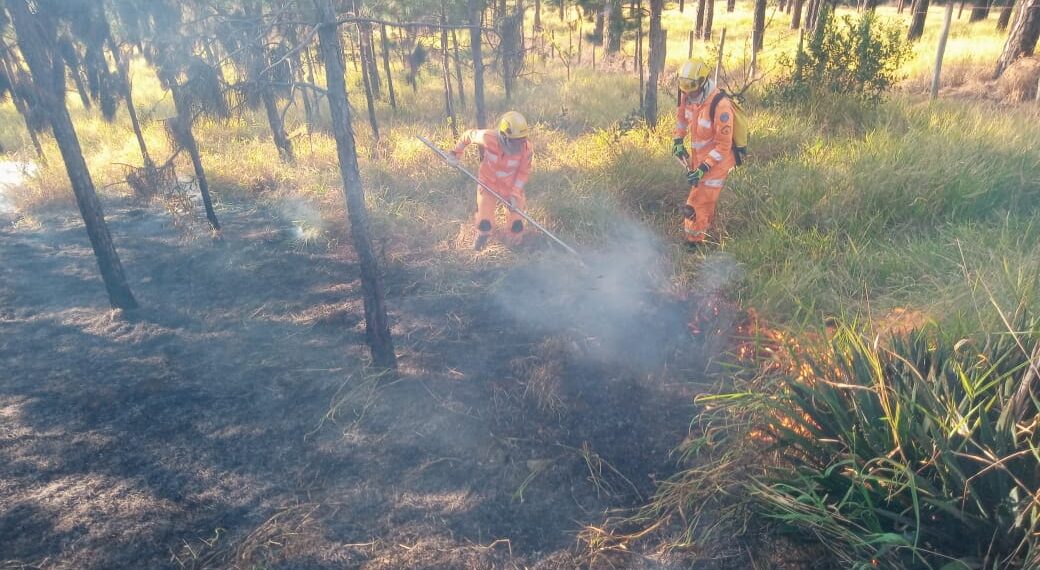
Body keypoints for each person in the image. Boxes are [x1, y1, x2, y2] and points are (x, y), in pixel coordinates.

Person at [672, 58, 737, 249]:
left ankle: (693, 245)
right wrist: (678, 140)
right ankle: (706, 233)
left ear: (702, 82)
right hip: (699, 159)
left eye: (691, 89)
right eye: (685, 90)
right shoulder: (686, 95)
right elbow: (681, 119)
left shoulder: (721, 106)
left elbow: (723, 146)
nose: (688, 94)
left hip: (717, 163)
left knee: (695, 203)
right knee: (706, 202)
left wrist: (703, 168)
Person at [448, 111, 534, 251]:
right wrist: (455, 154)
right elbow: (467, 136)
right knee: (484, 220)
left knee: (516, 222)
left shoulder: (526, 149)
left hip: (510, 186)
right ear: (504, 136)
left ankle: (515, 243)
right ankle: (482, 237)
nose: (518, 144)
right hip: (487, 184)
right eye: (515, 141)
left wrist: (514, 194)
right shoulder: (488, 138)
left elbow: (523, 173)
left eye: (521, 140)